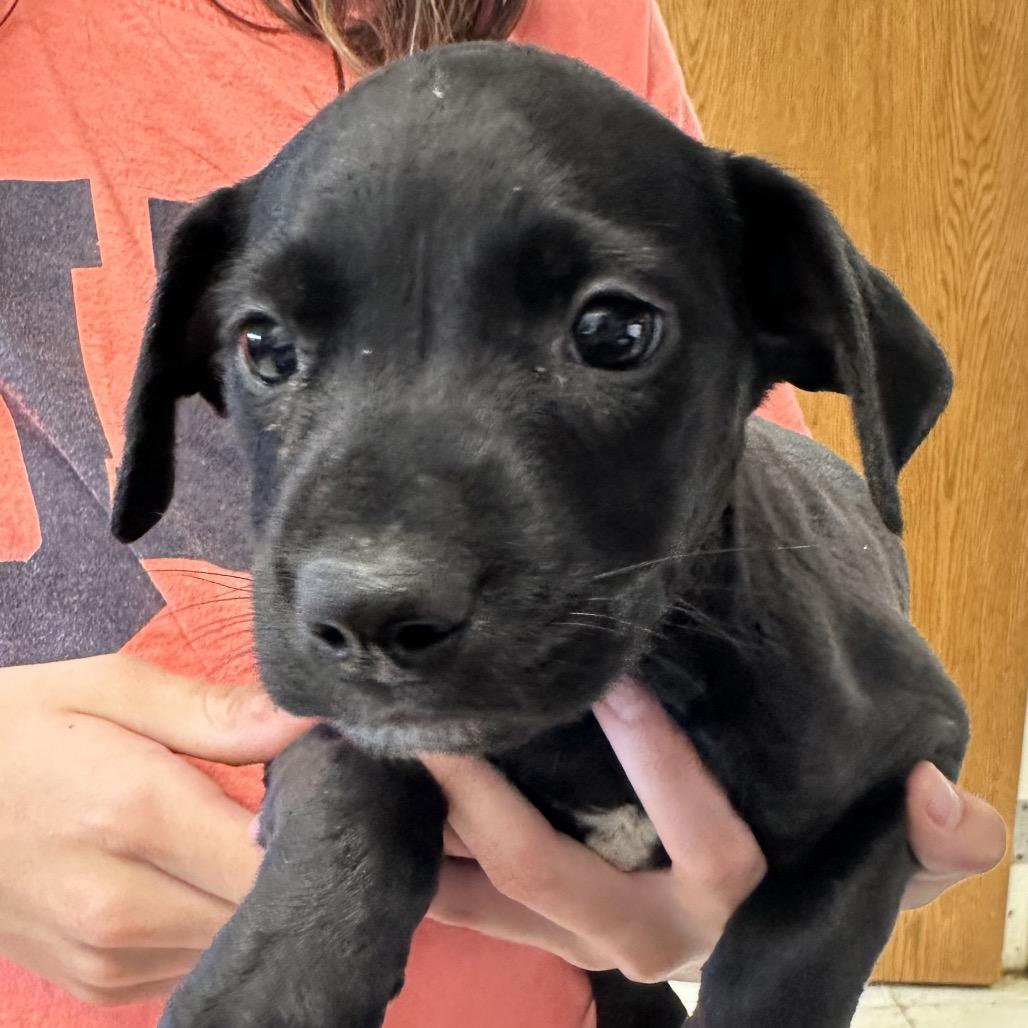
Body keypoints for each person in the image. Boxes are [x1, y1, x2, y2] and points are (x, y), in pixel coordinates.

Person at [0, 1, 1005, 1026]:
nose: (380, 575)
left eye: (609, 334)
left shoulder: (584, 21)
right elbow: (360, 753)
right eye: (272, 351)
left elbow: (893, 755)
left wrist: (782, 938)